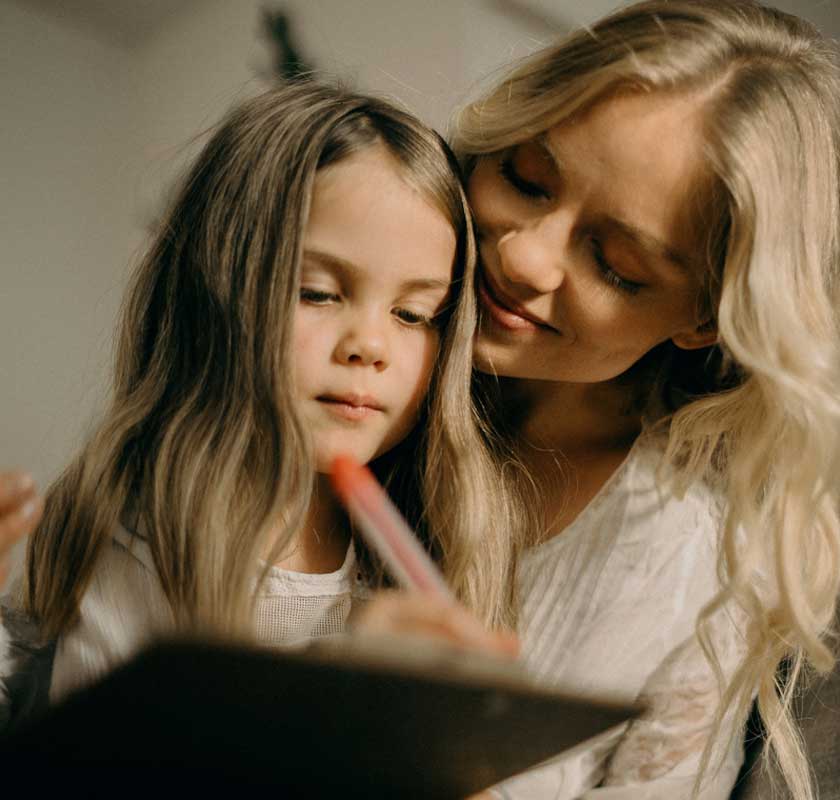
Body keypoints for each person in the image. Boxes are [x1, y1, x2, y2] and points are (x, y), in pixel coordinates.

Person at [0, 80, 522, 723]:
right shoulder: (146, 530)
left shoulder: (439, 531)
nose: (371, 344)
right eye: (317, 292)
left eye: (414, 313)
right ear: (216, 295)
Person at [438, 0, 839, 798]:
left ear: (703, 319)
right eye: (526, 178)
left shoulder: (696, 566)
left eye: (617, 263)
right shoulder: (361, 376)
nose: (523, 256)